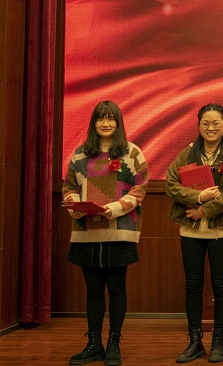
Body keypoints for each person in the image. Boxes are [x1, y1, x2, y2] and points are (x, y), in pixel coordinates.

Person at [62, 101, 148, 366]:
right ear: (94, 123)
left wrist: (112, 209)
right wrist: (76, 205)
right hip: (86, 232)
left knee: (117, 288)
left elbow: (139, 190)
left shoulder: (132, 152)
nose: (105, 123)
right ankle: (93, 344)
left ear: (118, 122)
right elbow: (68, 188)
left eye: (110, 118)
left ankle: (113, 343)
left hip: (120, 232)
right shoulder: (80, 154)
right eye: (100, 119)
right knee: (93, 289)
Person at [165, 103, 223, 363]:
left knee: (220, 286)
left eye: (216, 123)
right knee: (192, 286)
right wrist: (198, 196)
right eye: (205, 123)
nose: (210, 128)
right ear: (199, 126)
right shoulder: (186, 154)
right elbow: (170, 184)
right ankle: (195, 341)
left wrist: (205, 210)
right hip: (190, 232)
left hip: (221, 231)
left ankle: (218, 342)